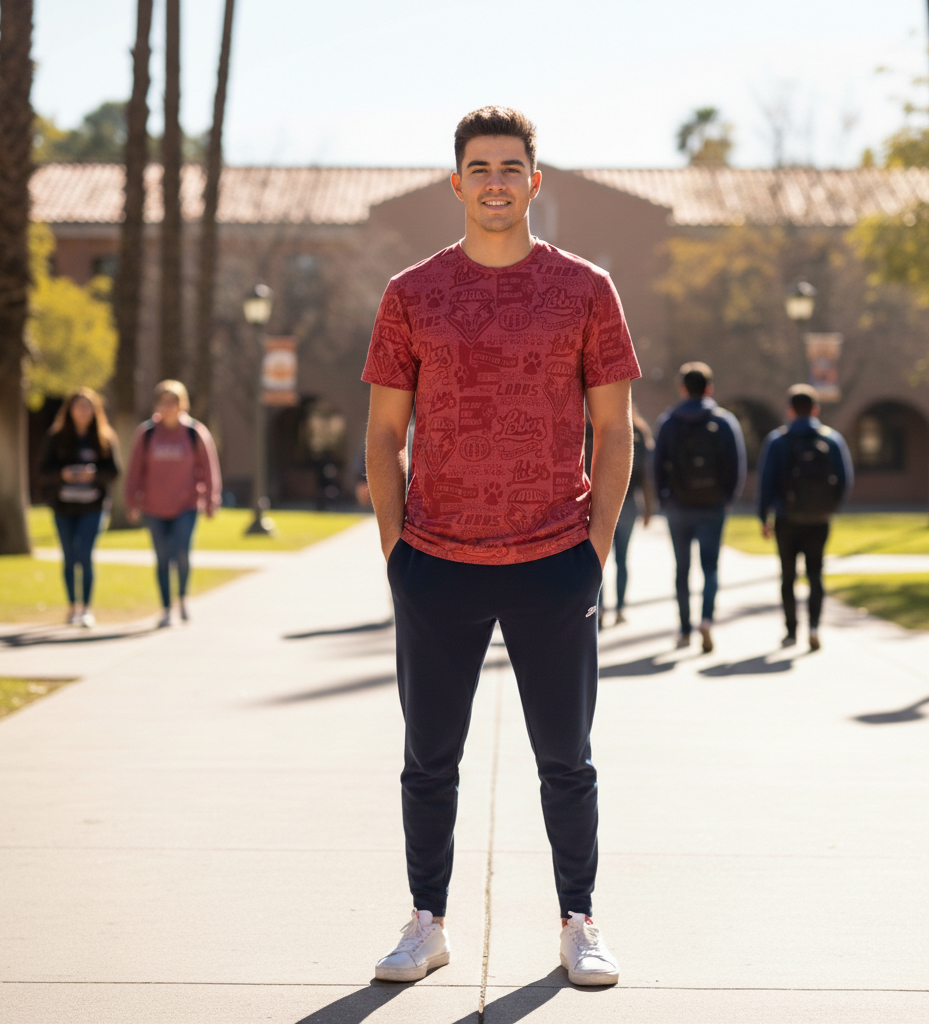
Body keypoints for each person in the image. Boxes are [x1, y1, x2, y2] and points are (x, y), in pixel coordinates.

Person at [363, 107, 639, 987]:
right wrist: (397, 554)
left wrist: (594, 550)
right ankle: (426, 923)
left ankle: (579, 921)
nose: (494, 182)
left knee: (567, 759)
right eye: (479, 168)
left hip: (554, 560)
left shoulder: (586, 289)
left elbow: (615, 430)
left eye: (510, 167)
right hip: (435, 560)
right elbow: (383, 435)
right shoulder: (411, 293)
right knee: (428, 760)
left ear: (534, 181)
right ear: (457, 182)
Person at [653, 362, 745, 653]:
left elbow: (657, 466)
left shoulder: (669, 422)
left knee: (682, 569)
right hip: (712, 505)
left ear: (683, 388)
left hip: (678, 506)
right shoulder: (724, 422)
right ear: (709, 388)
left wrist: (664, 500)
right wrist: (726, 499)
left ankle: (684, 629)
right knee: (710, 568)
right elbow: (736, 465)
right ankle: (706, 619)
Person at [757, 384, 853, 651]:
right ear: (815, 409)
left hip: (786, 519)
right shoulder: (831, 439)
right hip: (819, 519)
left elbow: (766, 483)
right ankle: (814, 627)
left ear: (790, 410)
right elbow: (845, 480)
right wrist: (830, 507)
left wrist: (764, 516)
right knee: (815, 574)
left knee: (788, 576)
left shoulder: (777, 441)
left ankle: (791, 631)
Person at [124, 380, 221, 628]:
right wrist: (131, 500)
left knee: (181, 554)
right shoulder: (147, 434)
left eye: (173, 401)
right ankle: (166, 607)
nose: (168, 407)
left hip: (186, 505)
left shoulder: (194, 432)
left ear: (182, 404)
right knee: (162, 558)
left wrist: (212, 500)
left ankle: (183, 598)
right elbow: (135, 470)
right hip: (153, 507)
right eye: (163, 402)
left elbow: (209, 469)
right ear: (156, 405)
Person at [40, 388, 120, 628]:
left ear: (95, 411)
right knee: (69, 557)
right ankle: (72, 606)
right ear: (70, 410)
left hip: (93, 506)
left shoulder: (104, 437)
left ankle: (86, 608)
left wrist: (93, 475)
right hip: (63, 506)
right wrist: (63, 474)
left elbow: (114, 471)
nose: (83, 411)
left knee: (84, 555)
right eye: (78, 406)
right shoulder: (56, 437)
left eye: (87, 407)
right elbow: (43, 470)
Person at [600, 410, 655, 627]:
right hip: (629, 503)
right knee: (622, 559)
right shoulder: (638, 434)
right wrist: (648, 508)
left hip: (599, 504)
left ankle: (599, 607)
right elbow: (646, 476)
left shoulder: (597, 428)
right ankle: (621, 608)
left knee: (599, 560)